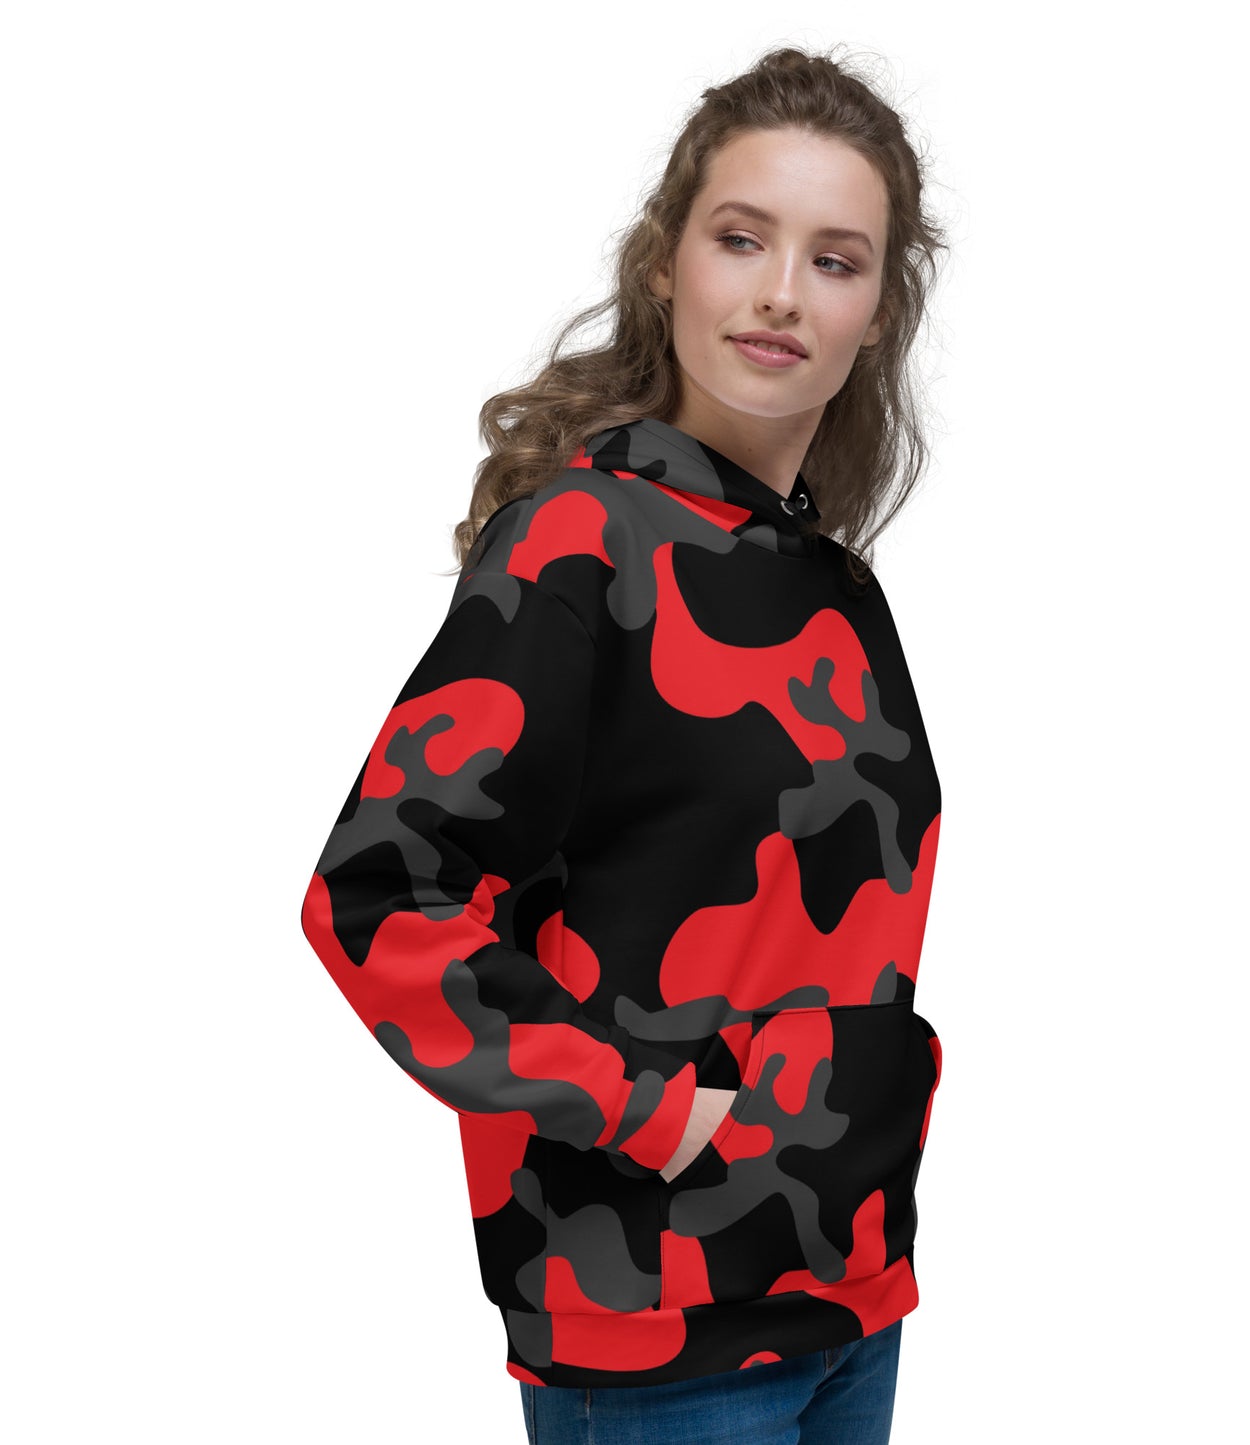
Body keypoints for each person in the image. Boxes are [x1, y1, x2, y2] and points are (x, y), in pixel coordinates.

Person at [299, 43, 950, 1445]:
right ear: (666, 264)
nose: (782, 292)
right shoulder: (585, 542)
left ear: (876, 315)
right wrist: (654, 1112)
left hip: (848, 1298)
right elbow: (380, 897)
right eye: (741, 239)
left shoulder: (838, 590)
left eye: (836, 260)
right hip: (654, 1331)